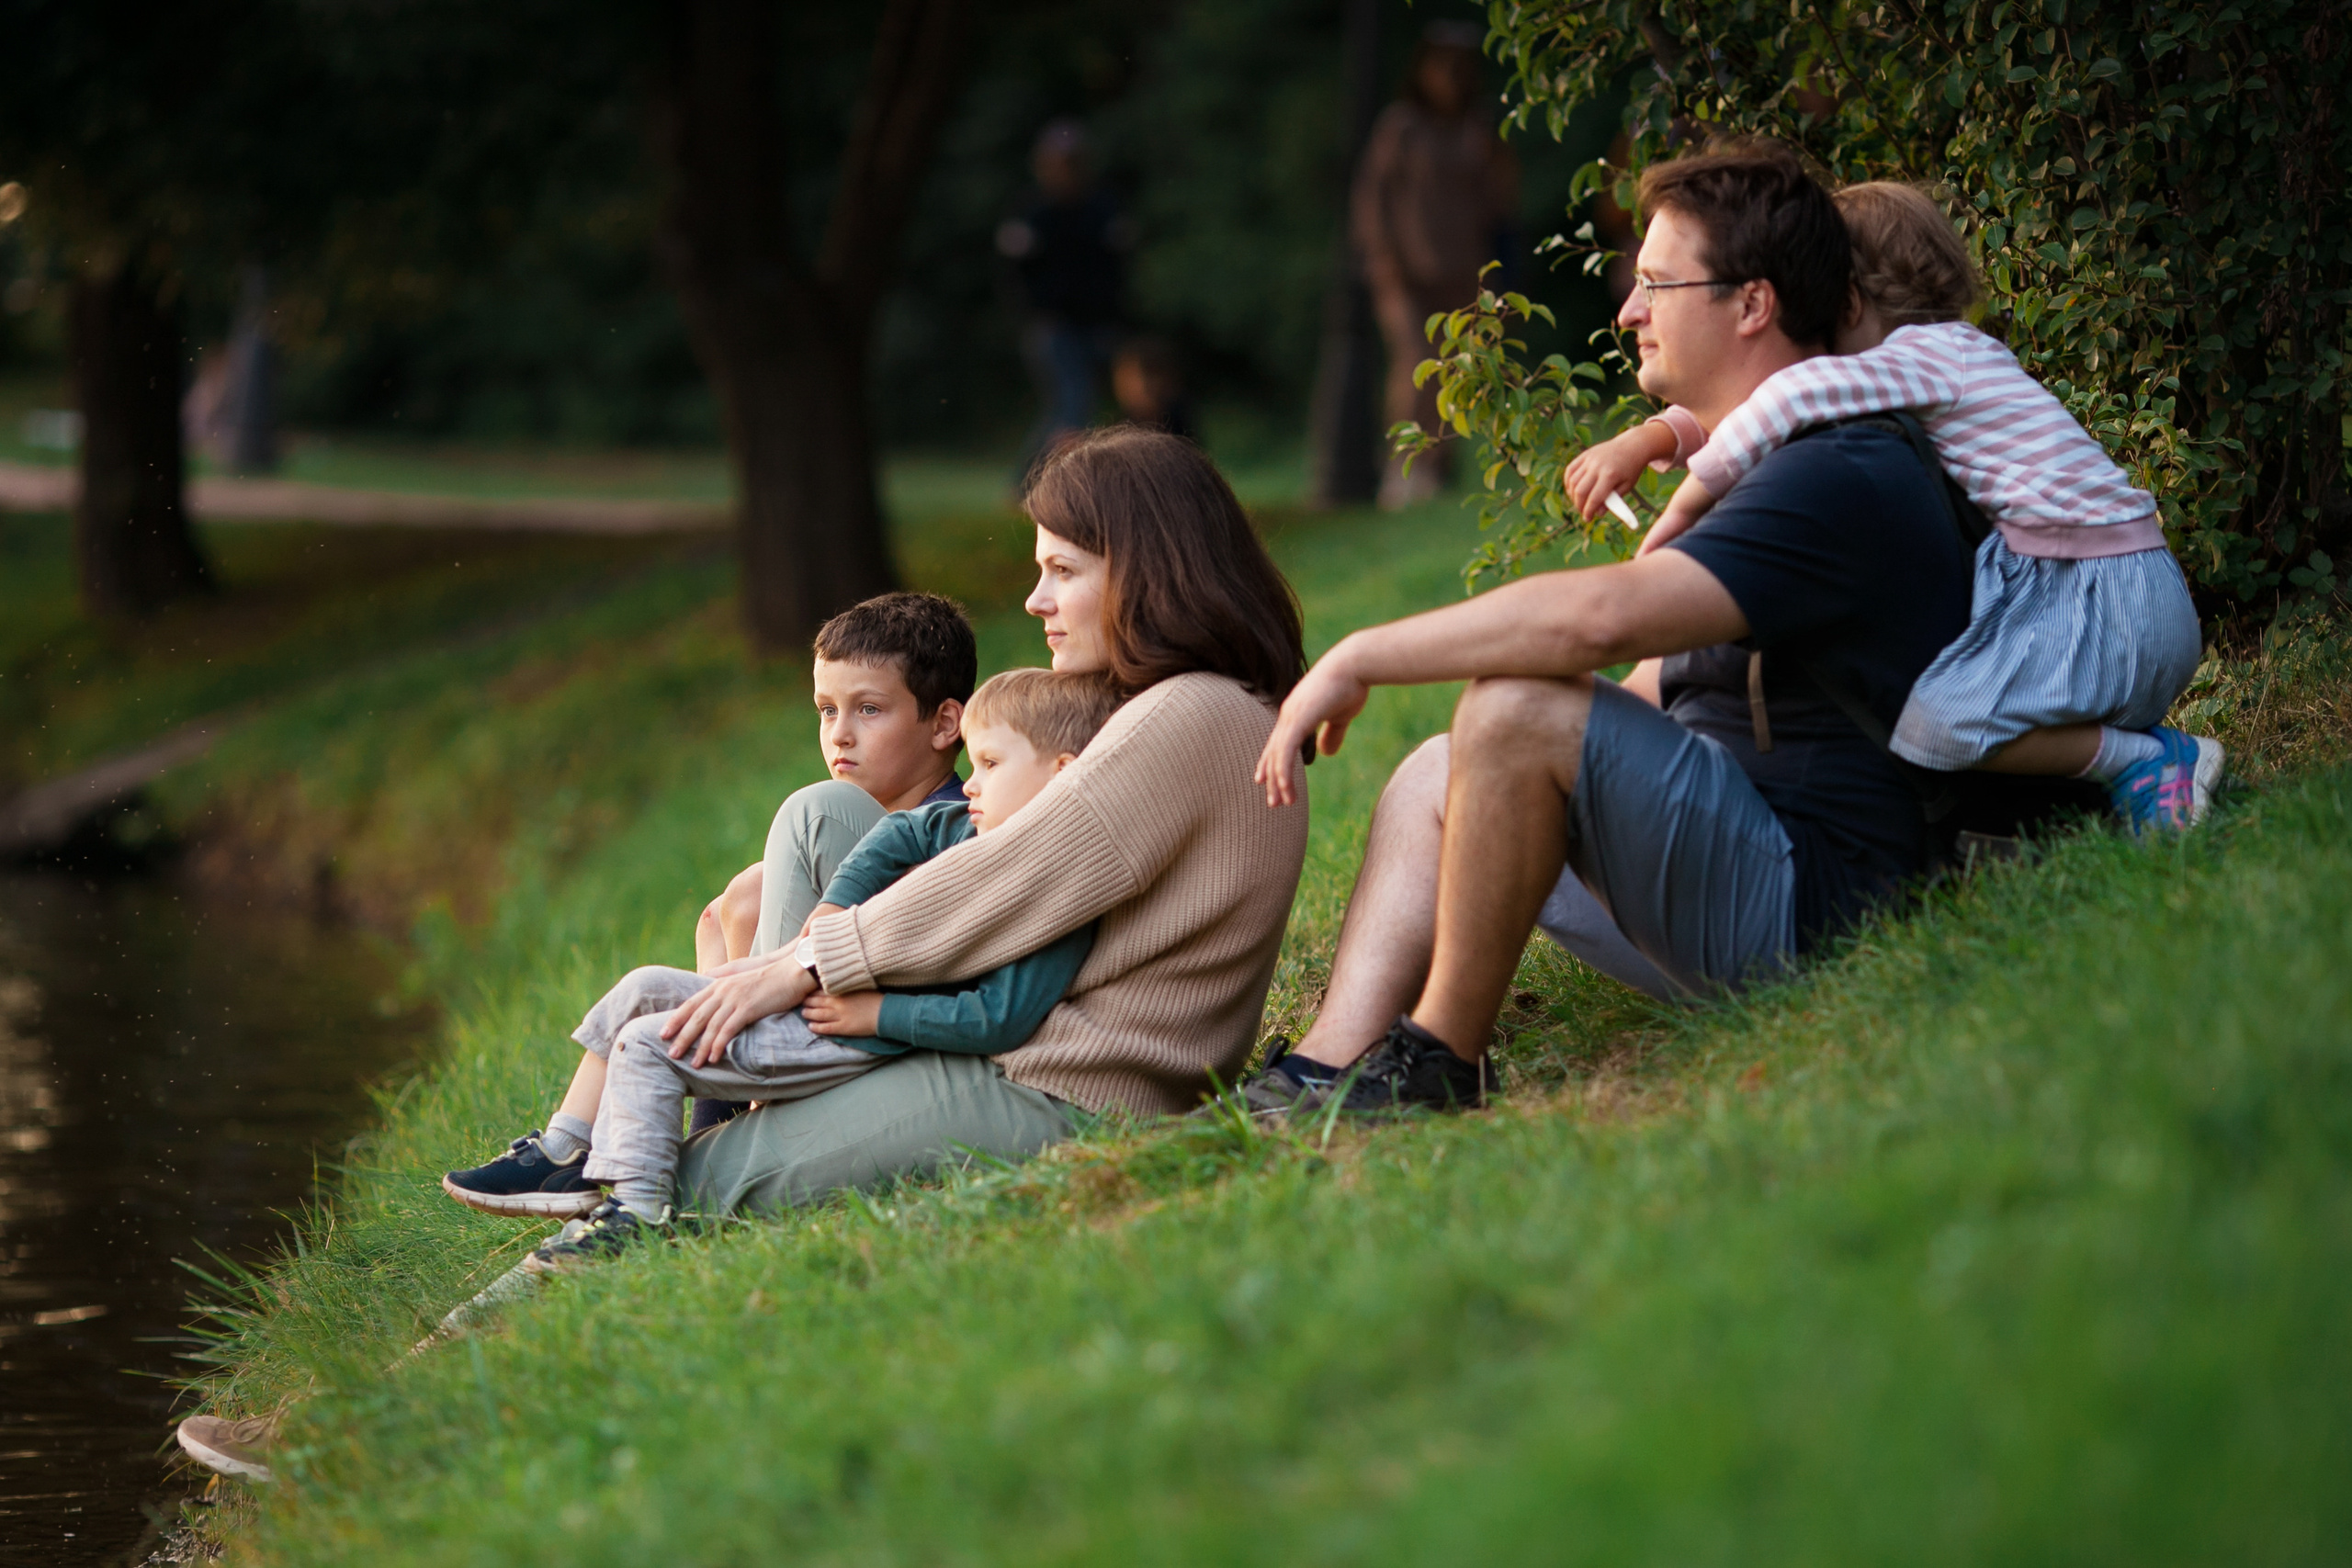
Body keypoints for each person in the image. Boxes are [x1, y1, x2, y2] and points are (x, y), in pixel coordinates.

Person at [1242, 141, 2056, 1115]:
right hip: (1739, 867)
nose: (1629, 311)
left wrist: (1359, 653)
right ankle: (1321, 1076)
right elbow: (1655, 692)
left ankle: (1434, 1067)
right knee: (1441, 765)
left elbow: (1593, 622)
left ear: (1751, 304)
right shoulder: (1760, 463)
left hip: (1825, 912)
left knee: (1513, 709)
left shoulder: (1835, 474)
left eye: (1657, 285)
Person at [645, 426, 1309, 1214]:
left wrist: (805, 964)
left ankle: (499, 1307)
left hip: (1066, 1091)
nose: (1036, 600)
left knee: (689, 1183)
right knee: (674, 1149)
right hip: (1032, 1062)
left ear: (1148, 572)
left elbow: (1004, 877)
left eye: (1063, 571)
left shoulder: (1187, 715)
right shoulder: (1190, 706)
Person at [1565, 181, 2215, 831]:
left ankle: (2145, 758)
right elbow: (1772, 398)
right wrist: (1648, 437)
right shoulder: (1944, 358)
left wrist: (1683, 506)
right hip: (2113, 585)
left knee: (1934, 725)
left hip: (2102, 597)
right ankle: (2127, 780)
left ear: (1846, 304)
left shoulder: (1920, 356)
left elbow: (1786, 395)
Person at [439, 668, 1125, 1269]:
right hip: (827, 992)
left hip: (853, 1034)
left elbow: (1000, 1016)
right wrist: (834, 908)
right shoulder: (966, 829)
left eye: (990, 766)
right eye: (970, 767)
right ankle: (565, 1149)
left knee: (646, 1045)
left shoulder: (1056, 885)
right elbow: (898, 832)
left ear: (1061, 776)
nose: (970, 787)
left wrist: (876, 1013)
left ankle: (637, 1212)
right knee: (644, 986)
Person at [685, 592, 975, 1134]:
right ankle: (711, 1130)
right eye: (827, 710)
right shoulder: (860, 826)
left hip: (899, 1036)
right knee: (732, 904)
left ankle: (748, 1104)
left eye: (869, 709)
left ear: (943, 725)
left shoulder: (954, 818)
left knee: (772, 865)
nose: (839, 733)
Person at [1351, 20, 1520, 509]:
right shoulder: (1401, 126)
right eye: (1442, 67)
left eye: (1461, 69)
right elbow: (1371, 200)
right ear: (1423, 71)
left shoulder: (1478, 128)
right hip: (1404, 274)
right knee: (1414, 366)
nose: (1452, 78)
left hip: (1464, 272)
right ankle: (1402, 471)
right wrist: (1381, 260)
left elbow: (1501, 202)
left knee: (1458, 371)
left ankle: (1439, 471)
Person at [999, 119, 1134, 470]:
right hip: (1053, 325)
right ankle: (1036, 480)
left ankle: (1031, 480)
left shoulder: (1102, 208)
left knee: (1072, 405)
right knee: (1074, 402)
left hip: (1095, 323)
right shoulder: (1032, 211)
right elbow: (1016, 273)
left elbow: (1116, 266)